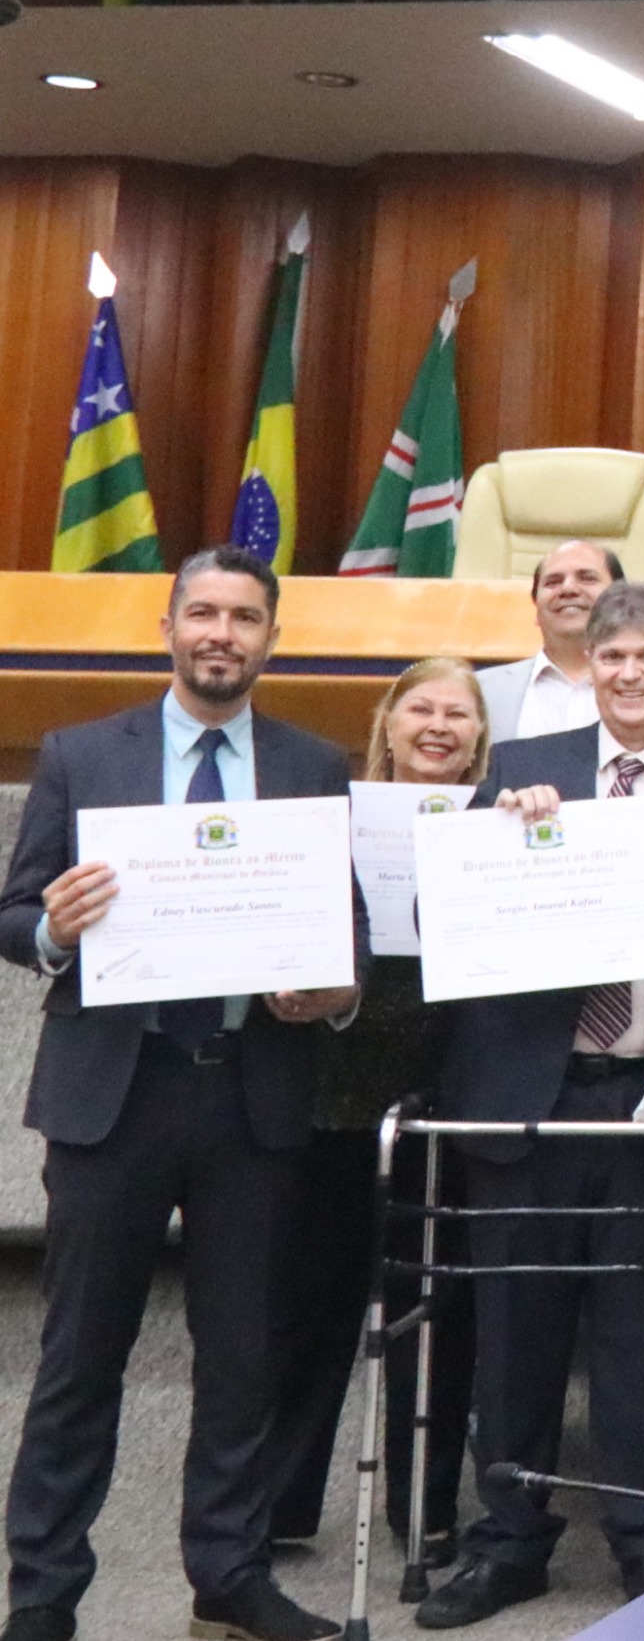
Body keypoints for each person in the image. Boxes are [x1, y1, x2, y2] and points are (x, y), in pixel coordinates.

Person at [2, 548, 356, 1641]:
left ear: (271, 639)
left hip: (252, 1092)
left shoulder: (313, 764)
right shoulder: (81, 753)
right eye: (203, 612)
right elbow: (13, 914)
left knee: (244, 1357)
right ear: (168, 627)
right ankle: (42, 1591)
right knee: (80, 1357)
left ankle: (230, 1574)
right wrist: (54, 927)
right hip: (117, 1093)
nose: (221, 633)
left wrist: (334, 991)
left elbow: (346, 933)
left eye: (244, 617)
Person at [419, 582, 644, 1629]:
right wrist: (502, 839)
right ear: (588, 663)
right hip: (526, 1094)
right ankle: (510, 1542)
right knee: (515, 1333)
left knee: (641, 1337)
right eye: (612, 655)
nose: (629, 673)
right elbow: (444, 920)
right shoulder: (526, 766)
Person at [261, 662, 486, 1570]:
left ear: (481, 736)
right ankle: (278, 1507)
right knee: (308, 1313)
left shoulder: (502, 825)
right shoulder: (331, 819)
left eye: (458, 713)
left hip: (447, 1104)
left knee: (438, 1321)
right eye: (420, 708)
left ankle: (422, 1513)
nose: (438, 726)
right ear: (387, 722)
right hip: (332, 1098)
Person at [476, 539, 644, 746]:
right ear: (535, 608)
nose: (568, 589)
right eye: (553, 582)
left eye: (587, 578)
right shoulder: (486, 690)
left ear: (621, 597)